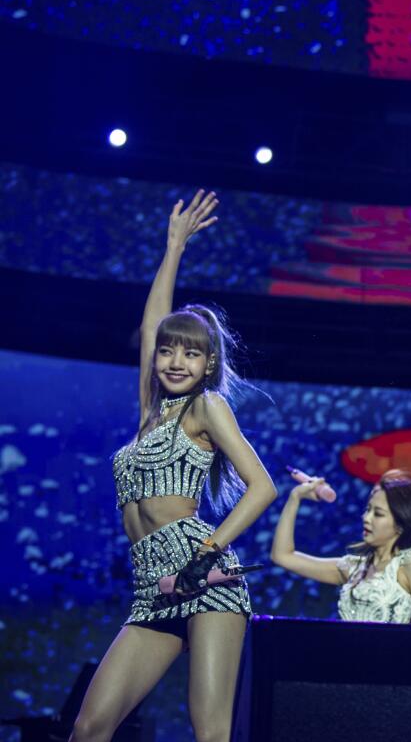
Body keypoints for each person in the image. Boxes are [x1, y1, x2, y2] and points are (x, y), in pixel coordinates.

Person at [73, 190, 278, 742]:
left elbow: (262, 488)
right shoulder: (149, 412)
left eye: (190, 353)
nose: (174, 361)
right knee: (90, 729)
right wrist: (174, 247)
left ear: (208, 363)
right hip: (152, 588)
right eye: (168, 352)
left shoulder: (205, 407)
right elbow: (153, 325)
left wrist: (202, 560)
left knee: (210, 732)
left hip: (204, 580)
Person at [271, 470, 411, 625]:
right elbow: (282, 556)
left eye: (378, 514)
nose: (366, 518)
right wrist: (295, 497)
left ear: (401, 524)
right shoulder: (354, 569)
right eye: (368, 509)